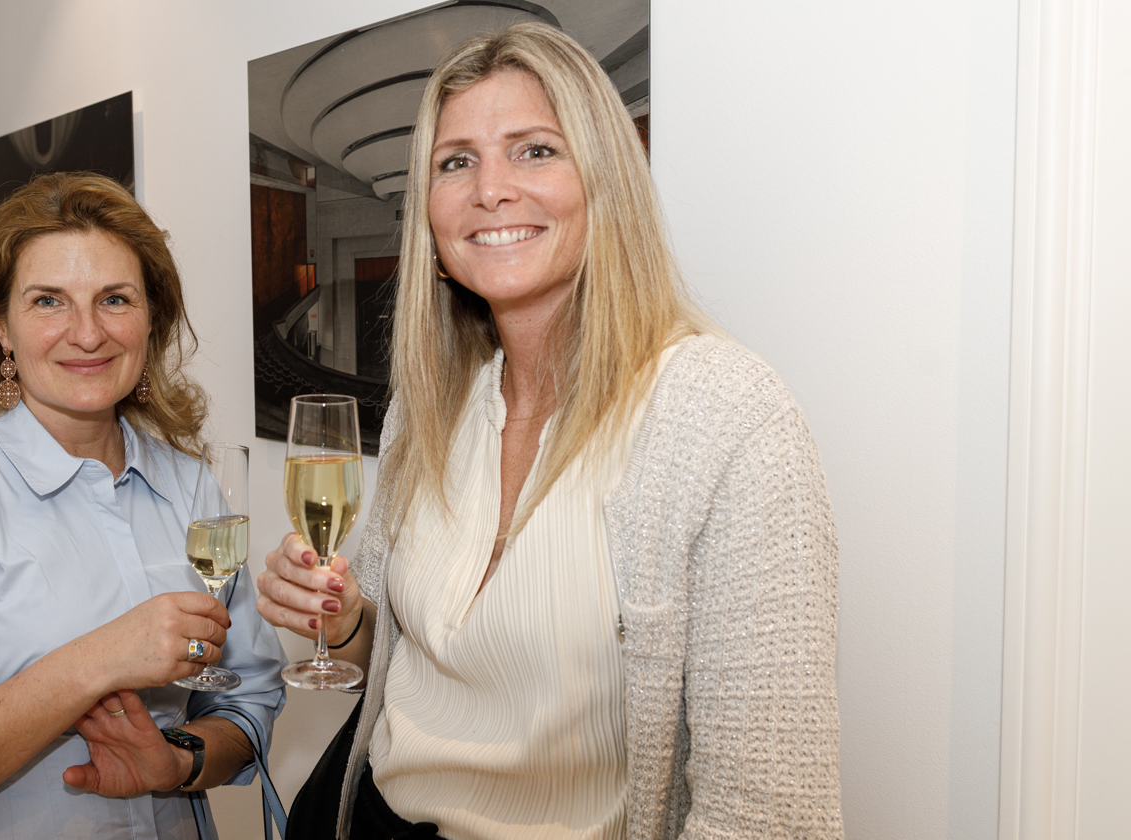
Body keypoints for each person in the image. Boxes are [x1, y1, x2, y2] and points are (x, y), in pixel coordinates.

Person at [257, 22, 844, 840]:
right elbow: (406, 664)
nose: (490, 190)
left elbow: (771, 818)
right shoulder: (428, 410)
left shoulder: (727, 417)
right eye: (455, 162)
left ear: (606, 181)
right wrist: (350, 618)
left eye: (535, 150)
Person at [0, 173, 287, 839]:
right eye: (49, 301)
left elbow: (248, 695)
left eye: (115, 299)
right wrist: (98, 659)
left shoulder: (191, 486)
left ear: (151, 319)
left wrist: (177, 762)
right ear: (1, 325)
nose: (87, 333)